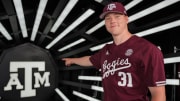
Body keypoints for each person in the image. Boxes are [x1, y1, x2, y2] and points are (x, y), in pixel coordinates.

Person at [62, 2, 166, 101]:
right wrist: (72, 60)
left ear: (126, 19)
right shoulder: (105, 50)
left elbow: (159, 95)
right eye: (108, 18)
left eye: (117, 16)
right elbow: (89, 60)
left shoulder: (148, 50)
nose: (112, 21)